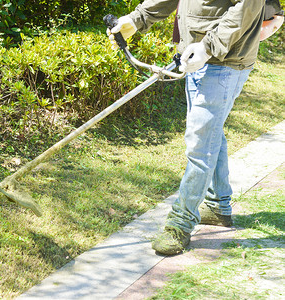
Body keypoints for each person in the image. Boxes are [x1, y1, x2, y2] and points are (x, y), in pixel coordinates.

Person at [107, 0, 267, 255]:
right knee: (211, 132)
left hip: (224, 60)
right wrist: (137, 19)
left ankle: (180, 223)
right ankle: (218, 206)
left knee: (200, 142)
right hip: (195, 56)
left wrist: (208, 46)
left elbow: (246, 7)